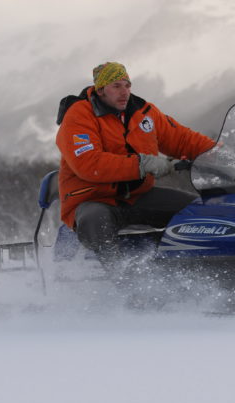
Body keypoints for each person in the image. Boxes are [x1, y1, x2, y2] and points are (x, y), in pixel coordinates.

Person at [55, 62, 214, 257]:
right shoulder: (79, 114)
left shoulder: (143, 112)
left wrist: (219, 155)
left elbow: (182, 140)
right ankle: (121, 281)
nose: (124, 92)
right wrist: (142, 163)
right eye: (116, 86)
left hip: (138, 196)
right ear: (101, 89)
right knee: (97, 222)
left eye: (127, 85)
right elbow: (89, 163)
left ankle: (192, 269)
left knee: (201, 214)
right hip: (92, 199)